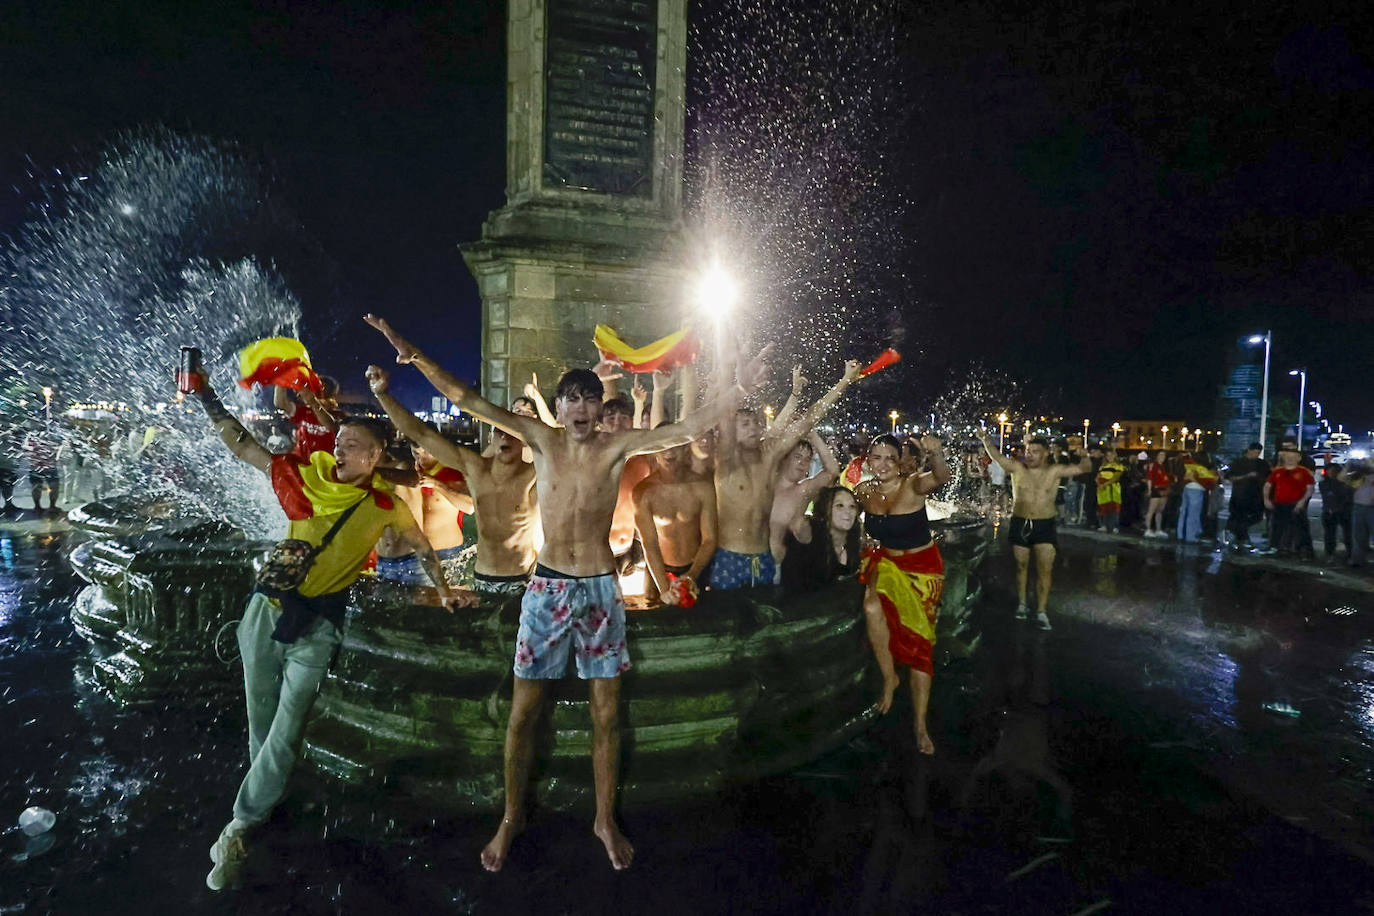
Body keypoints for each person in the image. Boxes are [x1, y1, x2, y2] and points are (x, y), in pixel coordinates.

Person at [365, 313, 768, 872]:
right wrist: (410, 351)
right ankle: (511, 816)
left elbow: (685, 428)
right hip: (548, 585)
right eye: (572, 399)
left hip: (601, 588)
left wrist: (740, 389)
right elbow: (464, 398)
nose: (581, 408)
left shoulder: (616, 446)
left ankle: (604, 819)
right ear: (559, 407)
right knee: (521, 713)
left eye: (589, 399)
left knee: (607, 714)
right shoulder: (540, 439)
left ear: (600, 407)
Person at [189, 367, 466, 892]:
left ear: (375, 455)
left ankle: (241, 824)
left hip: (319, 626)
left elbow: (423, 547)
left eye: (352, 445)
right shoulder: (301, 477)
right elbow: (242, 445)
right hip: (267, 611)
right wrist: (206, 397)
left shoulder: (383, 505)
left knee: (287, 727)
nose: (339, 450)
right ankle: (264, 803)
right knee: (261, 720)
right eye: (339, 443)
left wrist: (445, 589)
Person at [369, 371, 541, 598]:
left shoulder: (536, 474)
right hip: (482, 576)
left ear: (524, 440)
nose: (506, 438)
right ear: (491, 438)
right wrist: (382, 394)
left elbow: (561, 442)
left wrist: (537, 402)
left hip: (523, 577)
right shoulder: (476, 469)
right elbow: (421, 433)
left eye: (512, 434)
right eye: (500, 432)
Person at [711, 359, 861, 589]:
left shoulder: (768, 458)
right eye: (745, 424)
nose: (753, 428)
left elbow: (807, 421)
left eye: (755, 423)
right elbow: (714, 416)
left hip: (764, 559)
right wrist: (736, 382)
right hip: (729, 557)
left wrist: (844, 381)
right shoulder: (723, 462)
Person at [855, 434, 950, 754]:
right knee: (871, 607)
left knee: (920, 642)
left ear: (899, 462)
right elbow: (842, 514)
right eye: (876, 457)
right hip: (888, 563)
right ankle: (889, 679)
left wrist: (936, 454)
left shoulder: (913, 485)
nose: (882, 464)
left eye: (889, 458)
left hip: (922, 568)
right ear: (868, 459)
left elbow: (941, 477)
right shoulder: (864, 491)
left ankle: (920, 726)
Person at [977, 430, 1091, 629]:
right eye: (1028, 451)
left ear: (1045, 453)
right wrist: (985, 439)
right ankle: (1022, 604)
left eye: (1035, 451)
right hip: (1020, 523)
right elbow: (997, 457)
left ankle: (1041, 611)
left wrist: (1085, 456)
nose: (1029, 455)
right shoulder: (1017, 468)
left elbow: (1084, 468)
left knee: (1044, 570)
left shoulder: (1054, 471)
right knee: (1021, 566)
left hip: (1044, 525)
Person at [632, 438, 717, 605]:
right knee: (655, 609)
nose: (669, 451)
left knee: (702, 615)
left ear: (685, 449)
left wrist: (691, 575)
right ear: (655, 451)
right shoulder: (644, 492)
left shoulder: (702, 486)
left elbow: (710, 539)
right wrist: (665, 589)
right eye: (664, 446)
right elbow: (649, 543)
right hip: (659, 568)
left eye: (675, 446)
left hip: (695, 566)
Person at [769, 431, 839, 566]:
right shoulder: (765, 484)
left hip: (780, 565)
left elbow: (832, 471)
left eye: (807, 460)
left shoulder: (803, 491)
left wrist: (813, 436)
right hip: (749, 557)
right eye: (798, 457)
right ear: (784, 458)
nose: (802, 463)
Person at [780, 485, 860, 595]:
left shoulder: (854, 543)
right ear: (825, 508)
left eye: (852, 506)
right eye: (840, 505)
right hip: (802, 601)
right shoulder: (810, 537)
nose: (848, 512)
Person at [1263, 442, 1315, 557]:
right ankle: (1276, 548)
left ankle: (1304, 551)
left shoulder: (1304, 472)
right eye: (1287, 457)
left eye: (1293, 457)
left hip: (1296, 503)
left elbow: (1310, 488)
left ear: (1299, 458)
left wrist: (1302, 501)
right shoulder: (1277, 471)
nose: (1290, 459)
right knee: (1277, 527)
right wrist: (1266, 499)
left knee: (1301, 528)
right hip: (1279, 503)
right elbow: (1267, 486)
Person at [274, 376, 341, 461]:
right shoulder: (304, 411)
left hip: (324, 466)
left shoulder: (339, 415)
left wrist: (313, 402)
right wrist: (282, 380)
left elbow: (331, 425)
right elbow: (280, 404)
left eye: (316, 387)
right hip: (301, 463)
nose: (311, 390)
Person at [1225, 443, 1269, 550]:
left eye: (1258, 453)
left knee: (1256, 516)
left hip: (1256, 495)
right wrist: (1246, 476)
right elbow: (1230, 477)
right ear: (1249, 450)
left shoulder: (1262, 464)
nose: (1256, 455)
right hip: (1240, 495)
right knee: (1239, 516)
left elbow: (1268, 478)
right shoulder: (1238, 463)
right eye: (1254, 452)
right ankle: (1241, 537)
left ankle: (1237, 532)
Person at [1176, 452, 1216, 543]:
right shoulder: (1202, 469)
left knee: (1184, 512)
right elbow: (1210, 482)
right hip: (1196, 489)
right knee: (1193, 513)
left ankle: (1180, 534)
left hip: (1187, 488)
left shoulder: (1188, 465)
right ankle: (1190, 536)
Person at [21, 424, 61, 516]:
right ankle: (38, 506)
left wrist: (55, 454)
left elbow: (58, 447)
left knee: (54, 486)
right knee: (37, 487)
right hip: (36, 466)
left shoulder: (51, 434)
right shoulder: (31, 435)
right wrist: (34, 448)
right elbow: (24, 447)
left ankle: (52, 506)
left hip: (48, 466)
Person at [1318, 464, 1353, 562]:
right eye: (1329, 471)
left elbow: (1347, 497)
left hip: (1342, 511)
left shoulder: (1345, 484)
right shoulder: (1324, 484)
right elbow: (1328, 496)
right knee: (1330, 535)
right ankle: (1330, 553)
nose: (1331, 473)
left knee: (1347, 534)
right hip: (1330, 511)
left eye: (1334, 471)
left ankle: (1350, 553)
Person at [1343, 458, 1374, 568]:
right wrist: (1348, 467)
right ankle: (1357, 559)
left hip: (1368, 507)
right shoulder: (1358, 476)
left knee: (1360, 535)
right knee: (1359, 536)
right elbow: (1343, 480)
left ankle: (1358, 559)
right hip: (1359, 506)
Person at [1142, 451, 1172, 539]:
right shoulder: (1153, 465)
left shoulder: (1164, 467)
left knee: (1160, 511)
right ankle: (1148, 529)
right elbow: (1149, 478)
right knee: (1151, 510)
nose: (1162, 457)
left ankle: (1158, 529)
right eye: (1160, 455)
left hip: (1164, 489)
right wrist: (1149, 489)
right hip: (1156, 489)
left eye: (1164, 455)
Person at [1095, 447, 1125, 533]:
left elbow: (1116, 477)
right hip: (1102, 489)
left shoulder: (1118, 466)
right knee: (1103, 507)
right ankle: (1103, 525)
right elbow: (1097, 477)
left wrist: (1104, 484)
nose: (1109, 457)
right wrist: (1099, 484)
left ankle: (1115, 526)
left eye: (1111, 455)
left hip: (1113, 488)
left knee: (1114, 508)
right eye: (1107, 455)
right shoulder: (1103, 466)